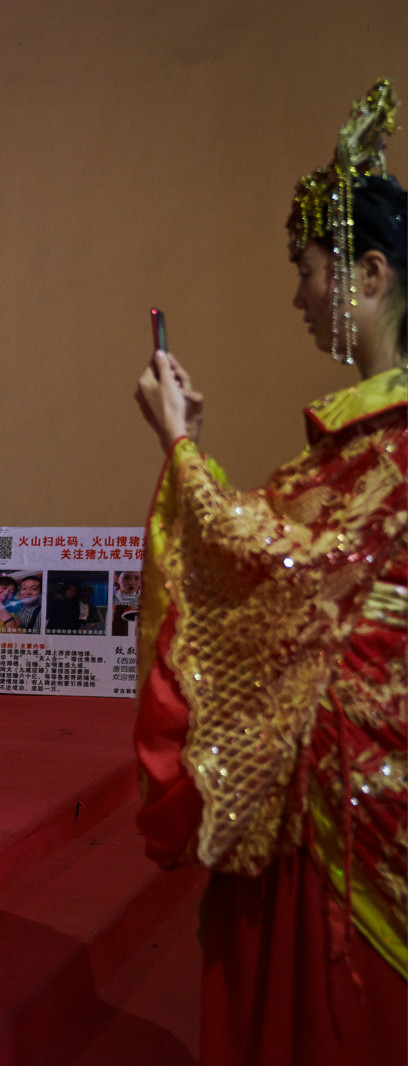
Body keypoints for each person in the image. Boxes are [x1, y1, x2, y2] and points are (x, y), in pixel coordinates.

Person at [132, 79, 404, 1066]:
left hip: (352, 787)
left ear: (367, 273)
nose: (297, 295)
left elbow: (274, 564)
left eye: (307, 269)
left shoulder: (385, 447)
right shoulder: (362, 446)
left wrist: (178, 449)